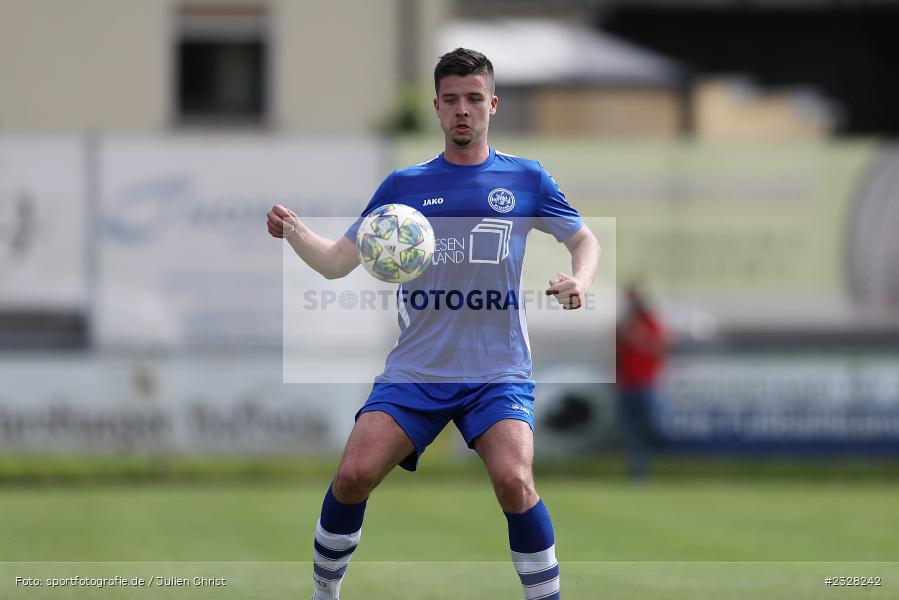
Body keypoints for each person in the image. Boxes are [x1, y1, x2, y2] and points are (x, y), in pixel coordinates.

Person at [266, 48, 600, 600]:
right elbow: (335, 262)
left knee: (515, 483)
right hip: (417, 372)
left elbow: (583, 240)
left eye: (473, 98)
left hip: (498, 372)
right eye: (451, 100)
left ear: (493, 104)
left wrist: (581, 280)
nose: (462, 110)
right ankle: (323, 596)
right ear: (437, 108)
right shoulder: (405, 186)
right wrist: (296, 231)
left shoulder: (526, 178)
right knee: (352, 476)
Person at [615, 284, 668, 479]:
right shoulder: (624, 324)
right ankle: (638, 470)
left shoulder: (651, 323)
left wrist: (638, 339)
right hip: (627, 383)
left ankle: (659, 460)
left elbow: (660, 350)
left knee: (651, 425)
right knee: (632, 430)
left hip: (646, 383)